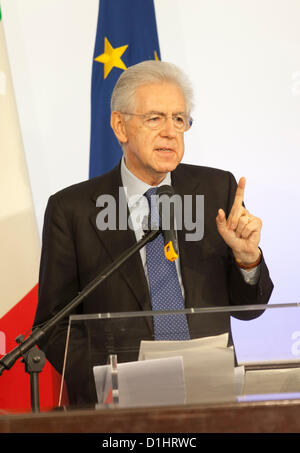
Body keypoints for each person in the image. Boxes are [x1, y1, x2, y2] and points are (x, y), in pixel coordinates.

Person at [33, 60, 273, 405]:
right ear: (120, 126)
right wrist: (107, 385)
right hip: (120, 405)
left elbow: (250, 310)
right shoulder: (74, 209)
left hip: (210, 399)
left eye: (179, 119)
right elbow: (54, 325)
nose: (170, 132)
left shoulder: (216, 191)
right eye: (155, 118)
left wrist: (247, 260)